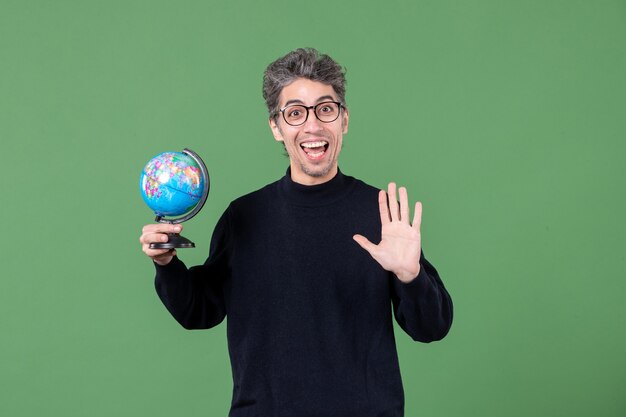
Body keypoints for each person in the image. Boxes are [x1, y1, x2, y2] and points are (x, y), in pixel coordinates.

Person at [139, 48, 453, 417]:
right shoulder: (244, 217)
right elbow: (199, 311)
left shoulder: (381, 214)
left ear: (344, 119)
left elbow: (432, 327)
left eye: (325, 109)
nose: (313, 126)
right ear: (276, 127)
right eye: (295, 113)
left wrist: (411, 275)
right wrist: (166, 263)